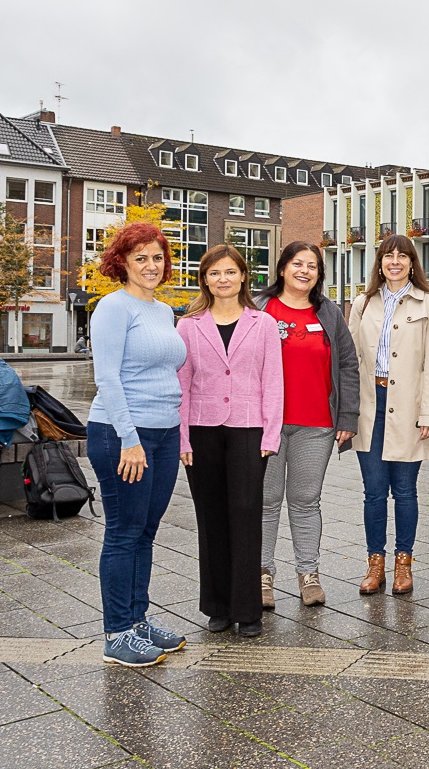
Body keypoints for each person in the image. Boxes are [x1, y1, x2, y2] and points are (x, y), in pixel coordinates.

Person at [87, 221, 188, 668]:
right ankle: (117, 632)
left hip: (164, 434)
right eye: (140, 258)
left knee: (146, 531)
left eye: (157, 257)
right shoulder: (113, 307)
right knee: (124, 532)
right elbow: (107, 377)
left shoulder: (164, 311)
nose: (151, 265)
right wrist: (129, 439)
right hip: (122, 433)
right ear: (122, 263)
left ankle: (137, 619)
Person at [177, 244, 283, 637]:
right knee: (210, 517)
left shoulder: (263, 323)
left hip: (248, 430)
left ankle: (247, 608)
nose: (223, 279)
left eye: (230, 272)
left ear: (243, 277)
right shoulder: (188, 324)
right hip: (202, 430)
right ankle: (217, 606)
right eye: (215, 272)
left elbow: (273, 381)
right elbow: (182, 385)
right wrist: (182, 438)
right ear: (205, 278)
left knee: (245, 514)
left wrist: (270, 432)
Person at [259, 242, 360, 610]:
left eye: (312, 266)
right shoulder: (260, 308)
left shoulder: (329, 313)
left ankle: (308, 574)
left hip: (316, 424)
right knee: (266, 502)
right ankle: (262, 574)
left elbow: (348, 365)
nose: (305, 270)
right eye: (297, 263)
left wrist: (347, 417)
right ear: (283, 268)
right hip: (266, 426)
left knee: (305, 501)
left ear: (319, 274)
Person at [348, 234, 429, 596]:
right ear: (379, 262)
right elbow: (350, 360)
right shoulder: (363, 303)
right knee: (373, 492)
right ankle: (376, 563)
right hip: (370, 402)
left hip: (409, 404)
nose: (395, 262)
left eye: (402, 256)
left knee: (404, 490)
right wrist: (347, 412)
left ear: (412, 263)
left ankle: (404, 563)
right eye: (389, 256)